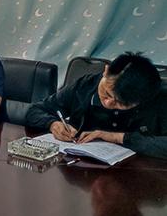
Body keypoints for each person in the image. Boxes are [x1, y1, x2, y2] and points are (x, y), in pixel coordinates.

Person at [26, 52, 166, 158]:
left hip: (140, 175)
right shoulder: (84, 86)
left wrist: (117, 137)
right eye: (106, 92)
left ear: (141, 100)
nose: (108, 102)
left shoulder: (160, 98)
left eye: (120, 103)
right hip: (82, 170)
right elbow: (35, 110)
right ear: (106, 71)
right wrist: (52, 124)